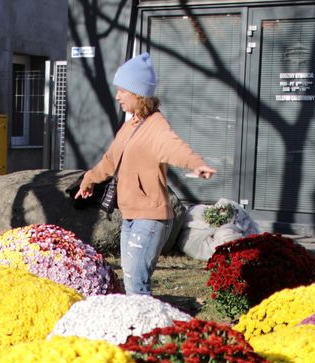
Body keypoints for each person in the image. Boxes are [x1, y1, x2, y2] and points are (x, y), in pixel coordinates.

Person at [76, 53, 217, 295]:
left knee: (136, 285)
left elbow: (175, 147)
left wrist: (196, 163)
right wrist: (88, 180)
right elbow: (110, 161)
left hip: (150, 218)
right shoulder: (131, 125)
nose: (117, 96)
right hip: (131, 215)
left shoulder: (156, 126)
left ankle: (149, 331)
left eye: (122, 90)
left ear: (138, 93)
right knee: (132, 282)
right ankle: (141, 329)